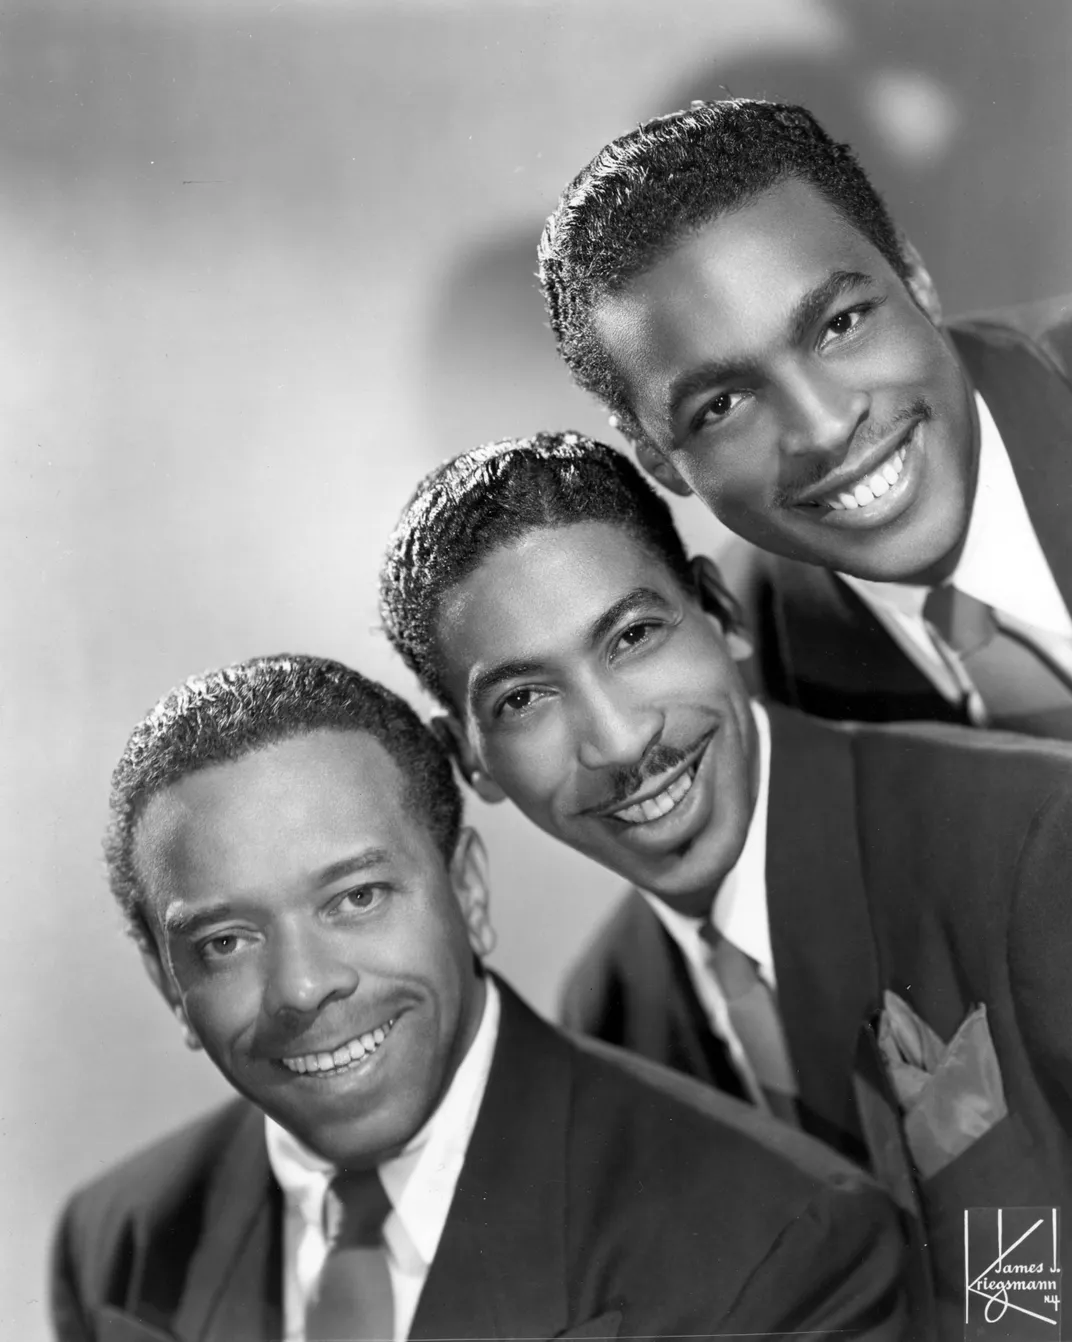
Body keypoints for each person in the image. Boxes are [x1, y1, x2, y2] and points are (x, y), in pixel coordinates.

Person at [380, 431, 1072, 1329]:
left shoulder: (1032, 840)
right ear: (470, 765)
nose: (622, 742)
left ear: (720, 612)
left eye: (632, 637)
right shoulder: (610, 1015)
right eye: (523, 701)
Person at [51, 653, 906, 1342]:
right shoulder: (119, 1244)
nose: (304, 987)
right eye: (226, 943)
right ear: (170, 984)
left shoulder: (776, 1244)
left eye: (357, 898)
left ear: (467, 891)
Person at [538, 98, 1072, 736]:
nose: (822, 427)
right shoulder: (745, 675)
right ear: (657, 457)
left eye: (840, 326)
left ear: (915, 278)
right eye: (722, 405)